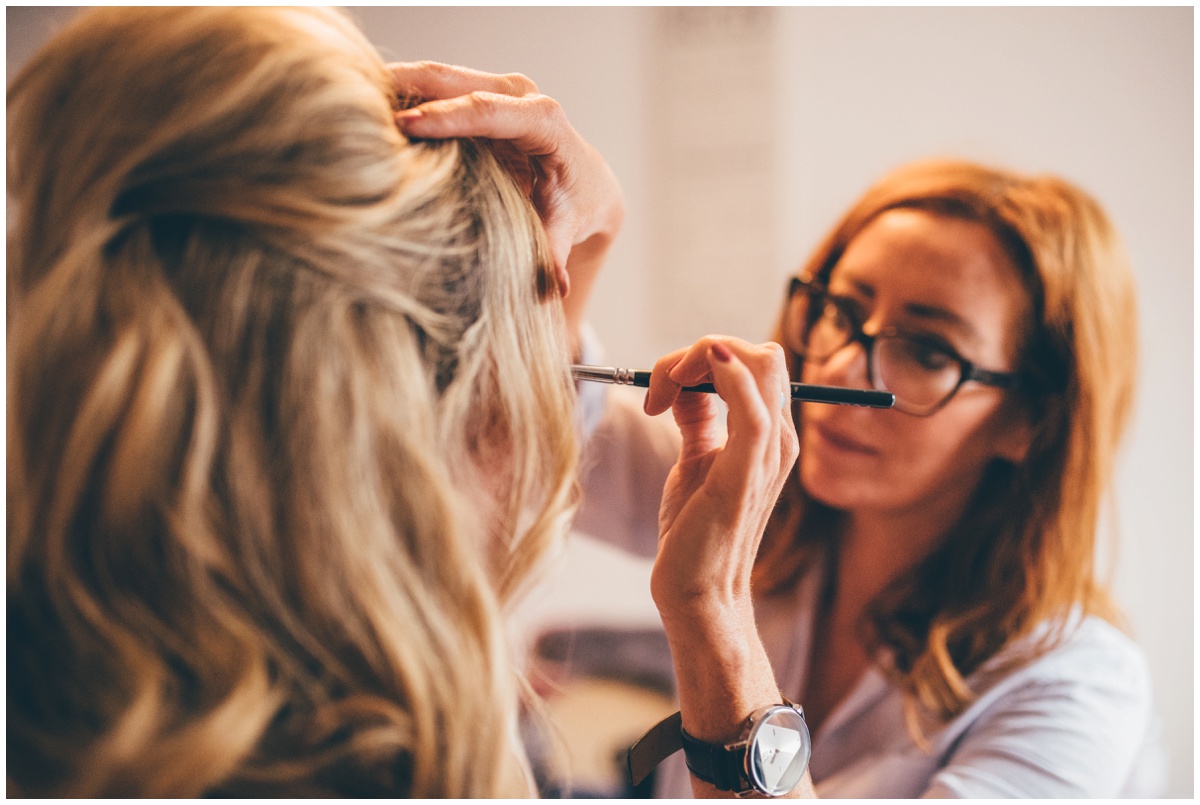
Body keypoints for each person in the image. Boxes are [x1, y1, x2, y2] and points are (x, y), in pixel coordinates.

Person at [8, 8, 799, 797]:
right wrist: (716, 619)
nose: (537, 426)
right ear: (405, 424)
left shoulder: (49, 646)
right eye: (515, 376)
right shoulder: (391, 755)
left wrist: (585, 242)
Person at [400, 80, 1165, 795]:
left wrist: (712, 613)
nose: (835, 366)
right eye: (841, 308)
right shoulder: (779, 512)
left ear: (1030, 420)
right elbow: (541, 433)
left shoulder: (1073, 684)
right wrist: (587, 239)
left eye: (928, 350)